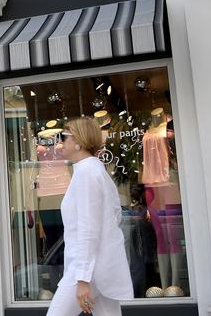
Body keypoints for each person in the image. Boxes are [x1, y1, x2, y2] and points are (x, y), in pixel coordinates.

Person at [47, 117, 133, 316]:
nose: (60, 143)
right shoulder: (93, 170)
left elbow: (88, 228)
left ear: (77, 140)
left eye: (64, 137)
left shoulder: (87, 173)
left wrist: (83, 278)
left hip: (87, 269)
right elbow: (114, 215)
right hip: (99, 266)